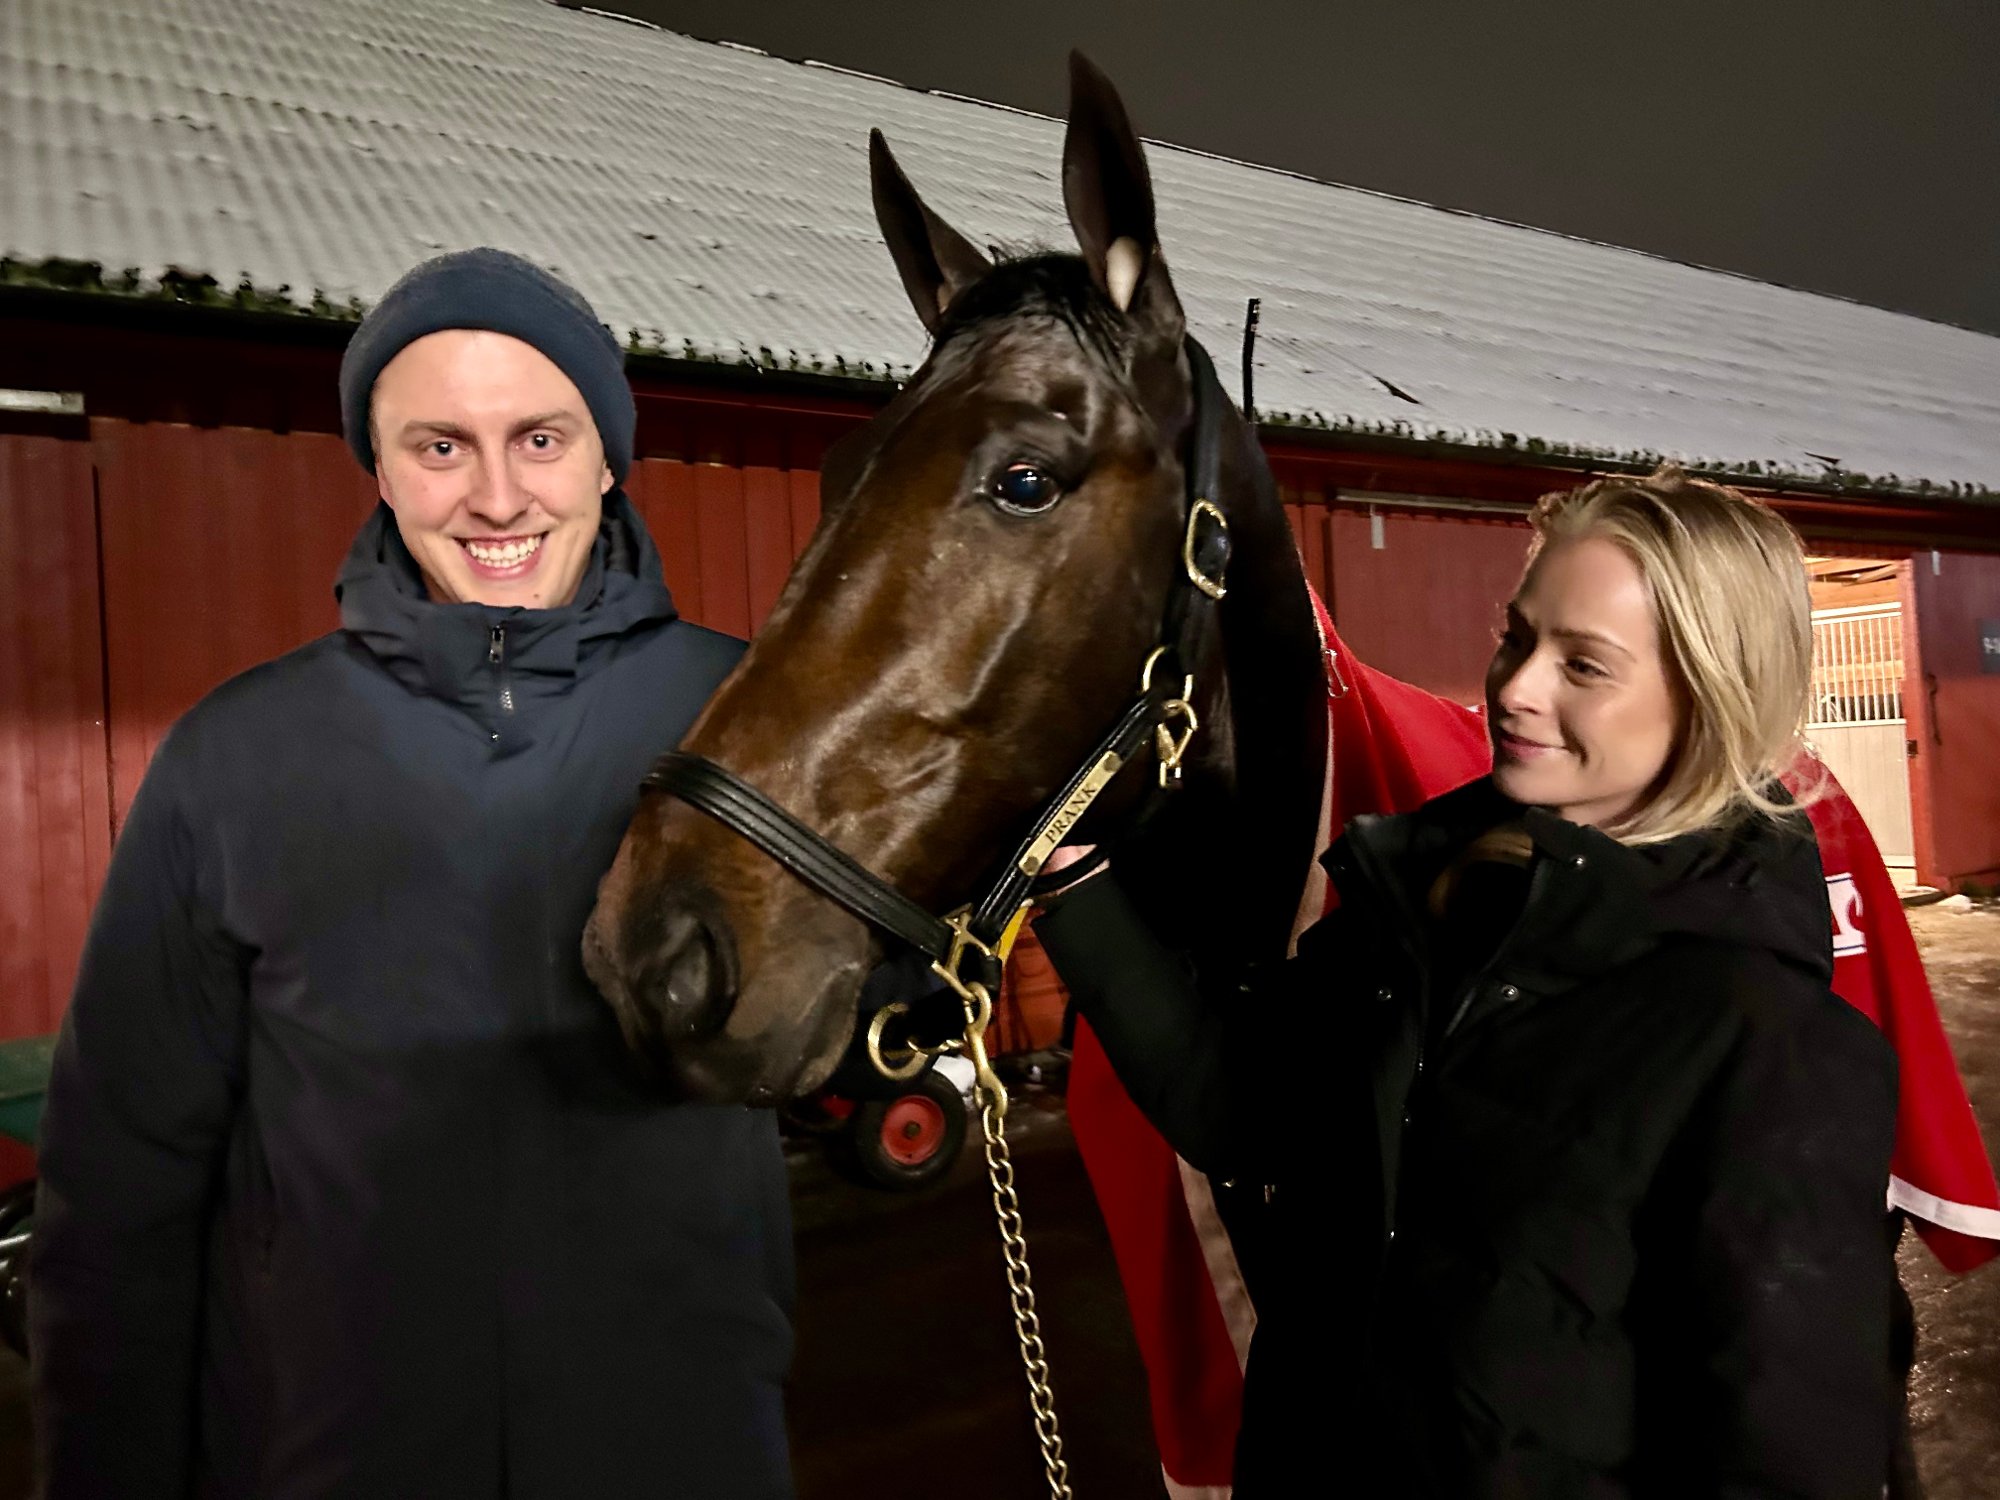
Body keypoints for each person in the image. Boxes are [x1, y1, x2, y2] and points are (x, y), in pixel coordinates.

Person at [29, 249, 794, 1499]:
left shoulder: (748, 719)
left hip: (678, 1436)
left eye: (540, 438)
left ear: (607, 454)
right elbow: (120, 1193)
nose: (496, 497)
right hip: (332, 1448)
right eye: (439, 448)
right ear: (380, 472)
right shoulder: (237, 756)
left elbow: (866, 1007)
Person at [1035, 468, 1900, 1497]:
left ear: (1709, 694)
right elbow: (1241, 1110)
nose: (1512, 686)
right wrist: (1072, 885)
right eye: (1514, 635)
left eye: (1582, 664)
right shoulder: (1434, 909)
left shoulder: (1766, 1048)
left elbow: (1785, 1460)